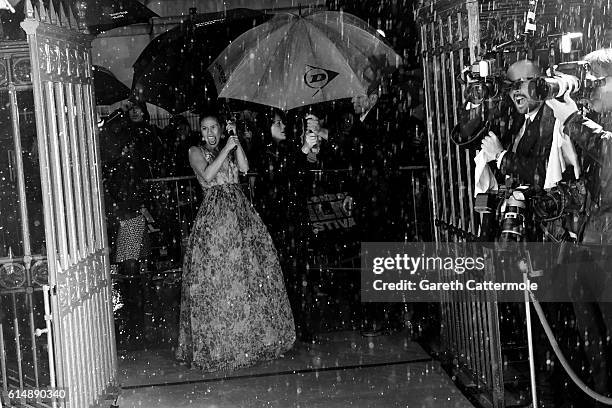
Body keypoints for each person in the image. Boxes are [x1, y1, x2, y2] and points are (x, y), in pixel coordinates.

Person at [176, 112, 295, 371]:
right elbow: (207, 175)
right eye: (205, 128)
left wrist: (235, 141)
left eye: (214, 128)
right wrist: (225, 149)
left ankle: (249, 341)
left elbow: (243, 168)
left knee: (247, 275)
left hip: (241, 215)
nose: (210, 133)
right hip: (215, 219)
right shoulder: (194, 150)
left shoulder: (227, 145)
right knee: (221, 279)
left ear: (220, 129)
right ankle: (220, 344)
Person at [545, 48, 612, 396]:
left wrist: (573, 121)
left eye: (596, 83)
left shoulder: (593, 127)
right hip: (586, 242)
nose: (589, 91)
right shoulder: (593, 120)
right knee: (592, 342)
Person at [480, 59, 556, 188]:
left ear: (540, 84)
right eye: (511, 86)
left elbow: (547, 173)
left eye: (520, 83)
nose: (515, 91)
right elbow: (469, 137)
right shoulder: (513, 116)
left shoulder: (553, 120)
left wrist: (501, 156)